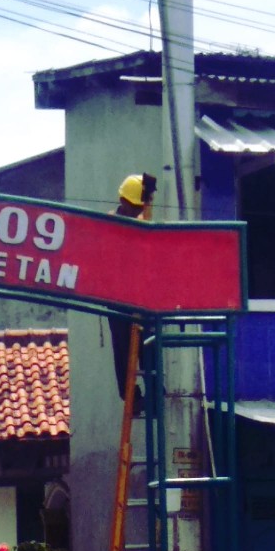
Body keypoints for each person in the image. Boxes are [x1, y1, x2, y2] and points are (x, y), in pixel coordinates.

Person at [109, 173, 157, 406]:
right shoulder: (111, 223)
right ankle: (130, 396)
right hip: (117, 298)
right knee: (123, 349)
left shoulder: (142, 222)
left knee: (149, 344)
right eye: (136, 207)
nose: (139, 211)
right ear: (124, 202)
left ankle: (154, 390)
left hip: (140, 296)